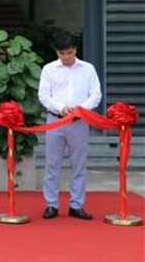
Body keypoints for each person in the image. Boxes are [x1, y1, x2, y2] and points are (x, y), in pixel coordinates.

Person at [38, 32, 101, 221]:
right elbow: (43, 95)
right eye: (62, 53)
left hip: (79, 121)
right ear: (56, 52)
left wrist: (80, 110)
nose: (66, 56)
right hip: (55, 119)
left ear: (75, 50)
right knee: (52, 163)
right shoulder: (49, 69)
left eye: (69, 52)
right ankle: (51, 204)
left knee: (79, 164)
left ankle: (76, 204)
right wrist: (60, 108)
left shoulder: (87, 69)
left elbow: (96, 94)